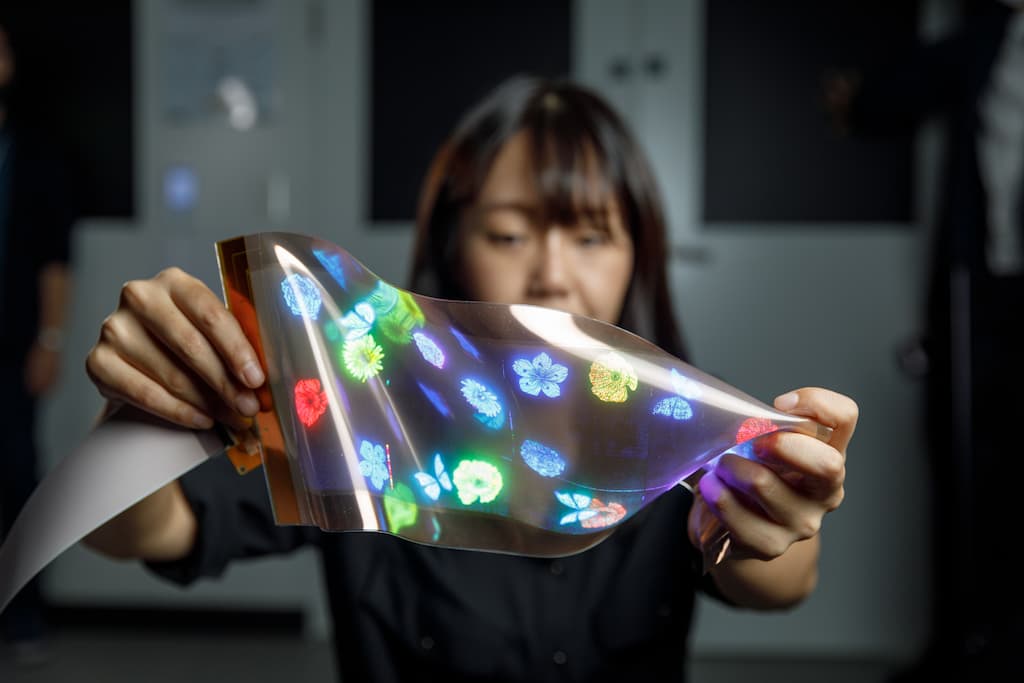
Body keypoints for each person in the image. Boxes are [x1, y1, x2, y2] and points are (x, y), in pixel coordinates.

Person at [83, 75, 857, 682]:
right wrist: (146, 410)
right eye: (510, 233)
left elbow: (783, 582)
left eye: (592, 236)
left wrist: (777, 510)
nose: (553, 274)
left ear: (639, 255)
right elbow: (149, 530)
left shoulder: (685, 426)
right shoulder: (355, 414)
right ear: (454, 243)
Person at [824, 2, 1023, 679]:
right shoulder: (988, 36)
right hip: (982, 292)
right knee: (964, 465)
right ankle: (962, 647)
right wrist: (855, 98)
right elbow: (882, 99)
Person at [0, 17, 76, 665]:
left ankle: (22, 614)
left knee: (16, 473)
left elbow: (56, 260)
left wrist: (49, 339)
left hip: (13, 343)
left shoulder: (34, 155)